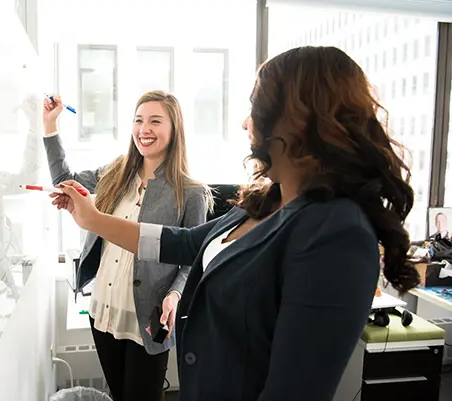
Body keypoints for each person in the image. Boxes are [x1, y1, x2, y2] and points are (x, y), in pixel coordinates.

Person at [49, 46, 420, 401]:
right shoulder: (265, 201)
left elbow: (290, 393)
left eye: (255, 108)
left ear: (297, 120)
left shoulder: (337, 232)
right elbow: (184, 243)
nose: (245, 122)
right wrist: (94, 220)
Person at [42, 90, 211, 401]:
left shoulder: (191, 192)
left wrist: (175, 295)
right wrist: (50, 126)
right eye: (138, 120)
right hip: (103, 310)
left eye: (155, 121)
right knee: (121, 394)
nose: (144, 129)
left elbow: (192, 258)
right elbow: (64, 179)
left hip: (148, 318)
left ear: (174, 130)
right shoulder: (116, 172)